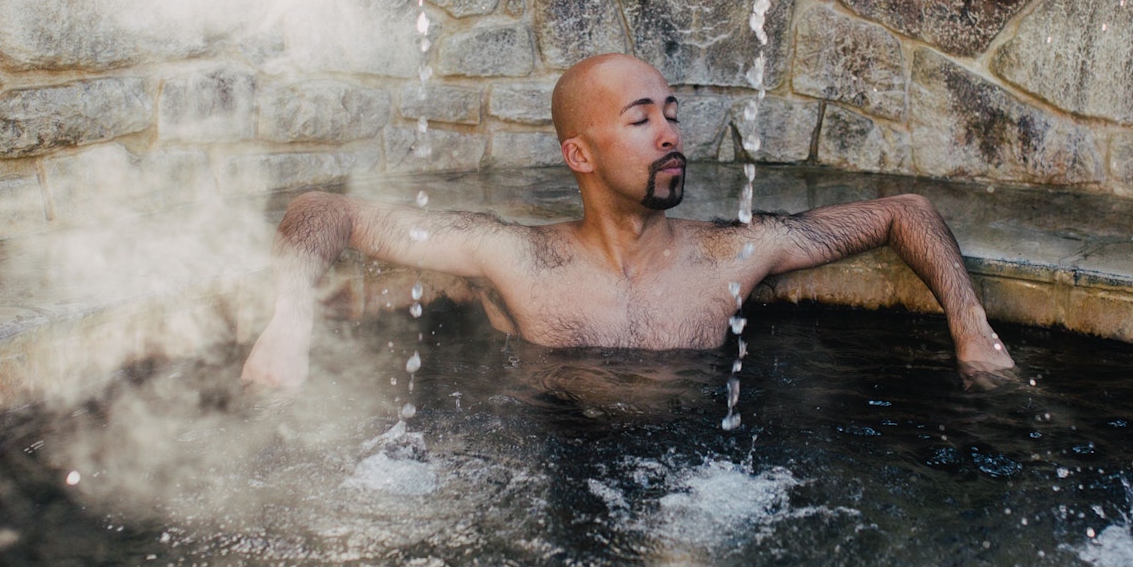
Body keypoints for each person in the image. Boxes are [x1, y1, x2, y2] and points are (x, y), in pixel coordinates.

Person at [241, 53, 1015, 388]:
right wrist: (288, 324)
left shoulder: (730, 256)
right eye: (642, 120)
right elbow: (322, 211)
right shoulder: (514, 257)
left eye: (672, 115)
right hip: (554, 494)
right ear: (579, 153)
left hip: (699, 493)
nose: (672, 133)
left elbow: (902, 213)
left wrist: (970, 328)